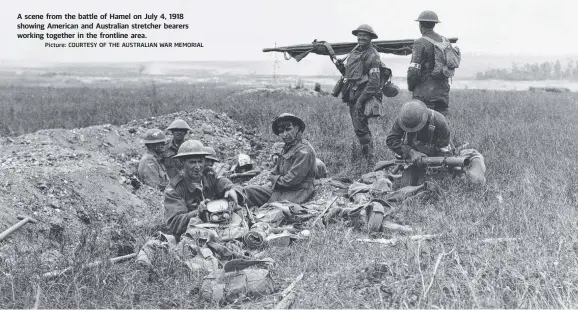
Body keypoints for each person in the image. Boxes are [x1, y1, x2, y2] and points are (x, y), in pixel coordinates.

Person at [163, 140, 243, 239]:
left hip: (218, 224)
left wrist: (231, 189)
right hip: (194, 234)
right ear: (182, 163)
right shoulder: (174, 190)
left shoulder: (208, 176)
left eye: (200, 161)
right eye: (192, 162)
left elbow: (223, 183)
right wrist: (198, 212)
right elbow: (175, 223)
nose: (197, 167)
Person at [241, 113, 318, 206]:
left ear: (297, 128)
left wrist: (274, 180)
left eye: (288, 129)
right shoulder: (287, 148)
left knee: (271, 212)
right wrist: (274, 179)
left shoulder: (304, 150)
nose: (284, 134)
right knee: (248, 191)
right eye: (281, 131)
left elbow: (292, 180)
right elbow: (274, 171)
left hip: (297, 192)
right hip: (281, 188)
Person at [338, 24, 382, 166]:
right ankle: (367, 158)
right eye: (359, 35)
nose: (361, 37)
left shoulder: (372, 55)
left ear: (370, 38)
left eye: (365, 35)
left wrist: (360, 101)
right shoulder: (354, 53)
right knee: (359, 128)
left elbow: (374, 82)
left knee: (361, 129)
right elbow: (350, 74)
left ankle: (369, 161)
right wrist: (340, 67)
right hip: (352, 95)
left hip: (363, 97)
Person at [385, 100, 452, 186]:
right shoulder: (403, 119)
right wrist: (411, 152)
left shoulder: (440, 122)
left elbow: (444, 152)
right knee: (407, 184)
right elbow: (391, 140)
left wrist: (434, 166)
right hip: (412, 157)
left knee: (434, 184)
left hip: (435, 155)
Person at [407, 10, 451, 116]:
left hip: (424, 93)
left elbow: (413, 71)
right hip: (443, 92)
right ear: (434, 24)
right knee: (441, 126)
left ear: (420, 24)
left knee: (423, 125)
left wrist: (411, 86)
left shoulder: (420, 42)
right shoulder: (445, 41)